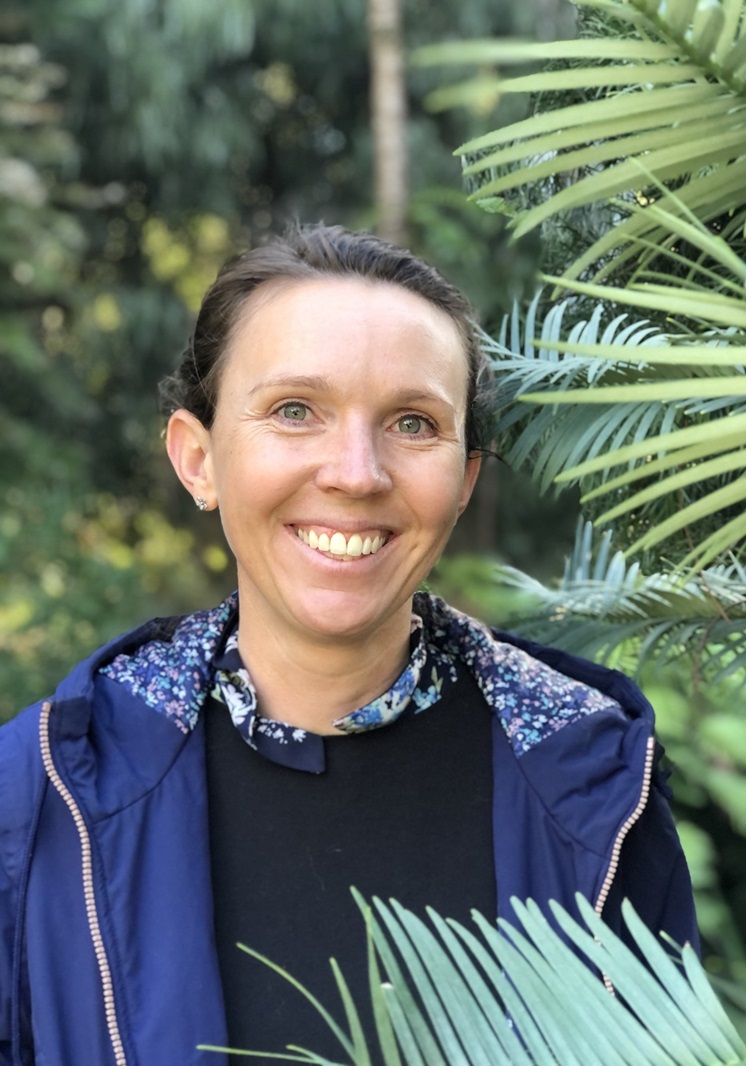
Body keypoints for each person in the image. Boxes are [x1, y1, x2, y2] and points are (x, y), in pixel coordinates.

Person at [0, 224, 697, 1066]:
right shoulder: (43, 795)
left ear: (464, 480)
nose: (356, 473)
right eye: (296, 411)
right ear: (198, 459)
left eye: (412, 422)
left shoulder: (591, 783)